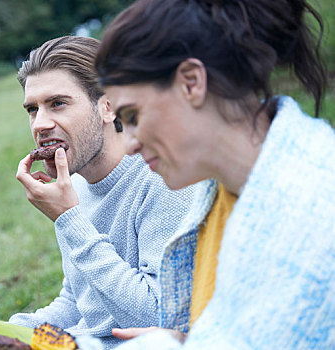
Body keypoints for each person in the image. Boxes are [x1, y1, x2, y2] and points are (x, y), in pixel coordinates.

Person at [0, 36, 196, 350]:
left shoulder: (163, 180)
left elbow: (156, 318)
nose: (41, 124)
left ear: (108, 106)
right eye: (32, 109)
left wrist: (69, 219)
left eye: (58, 103)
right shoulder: (73, 189)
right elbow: (77, 303)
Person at [90, 0, 335, 349]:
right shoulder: (220, 190)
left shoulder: (312, 210)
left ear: (191, 82)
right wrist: (185, 338)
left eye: (132, 117)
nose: (128, 144)